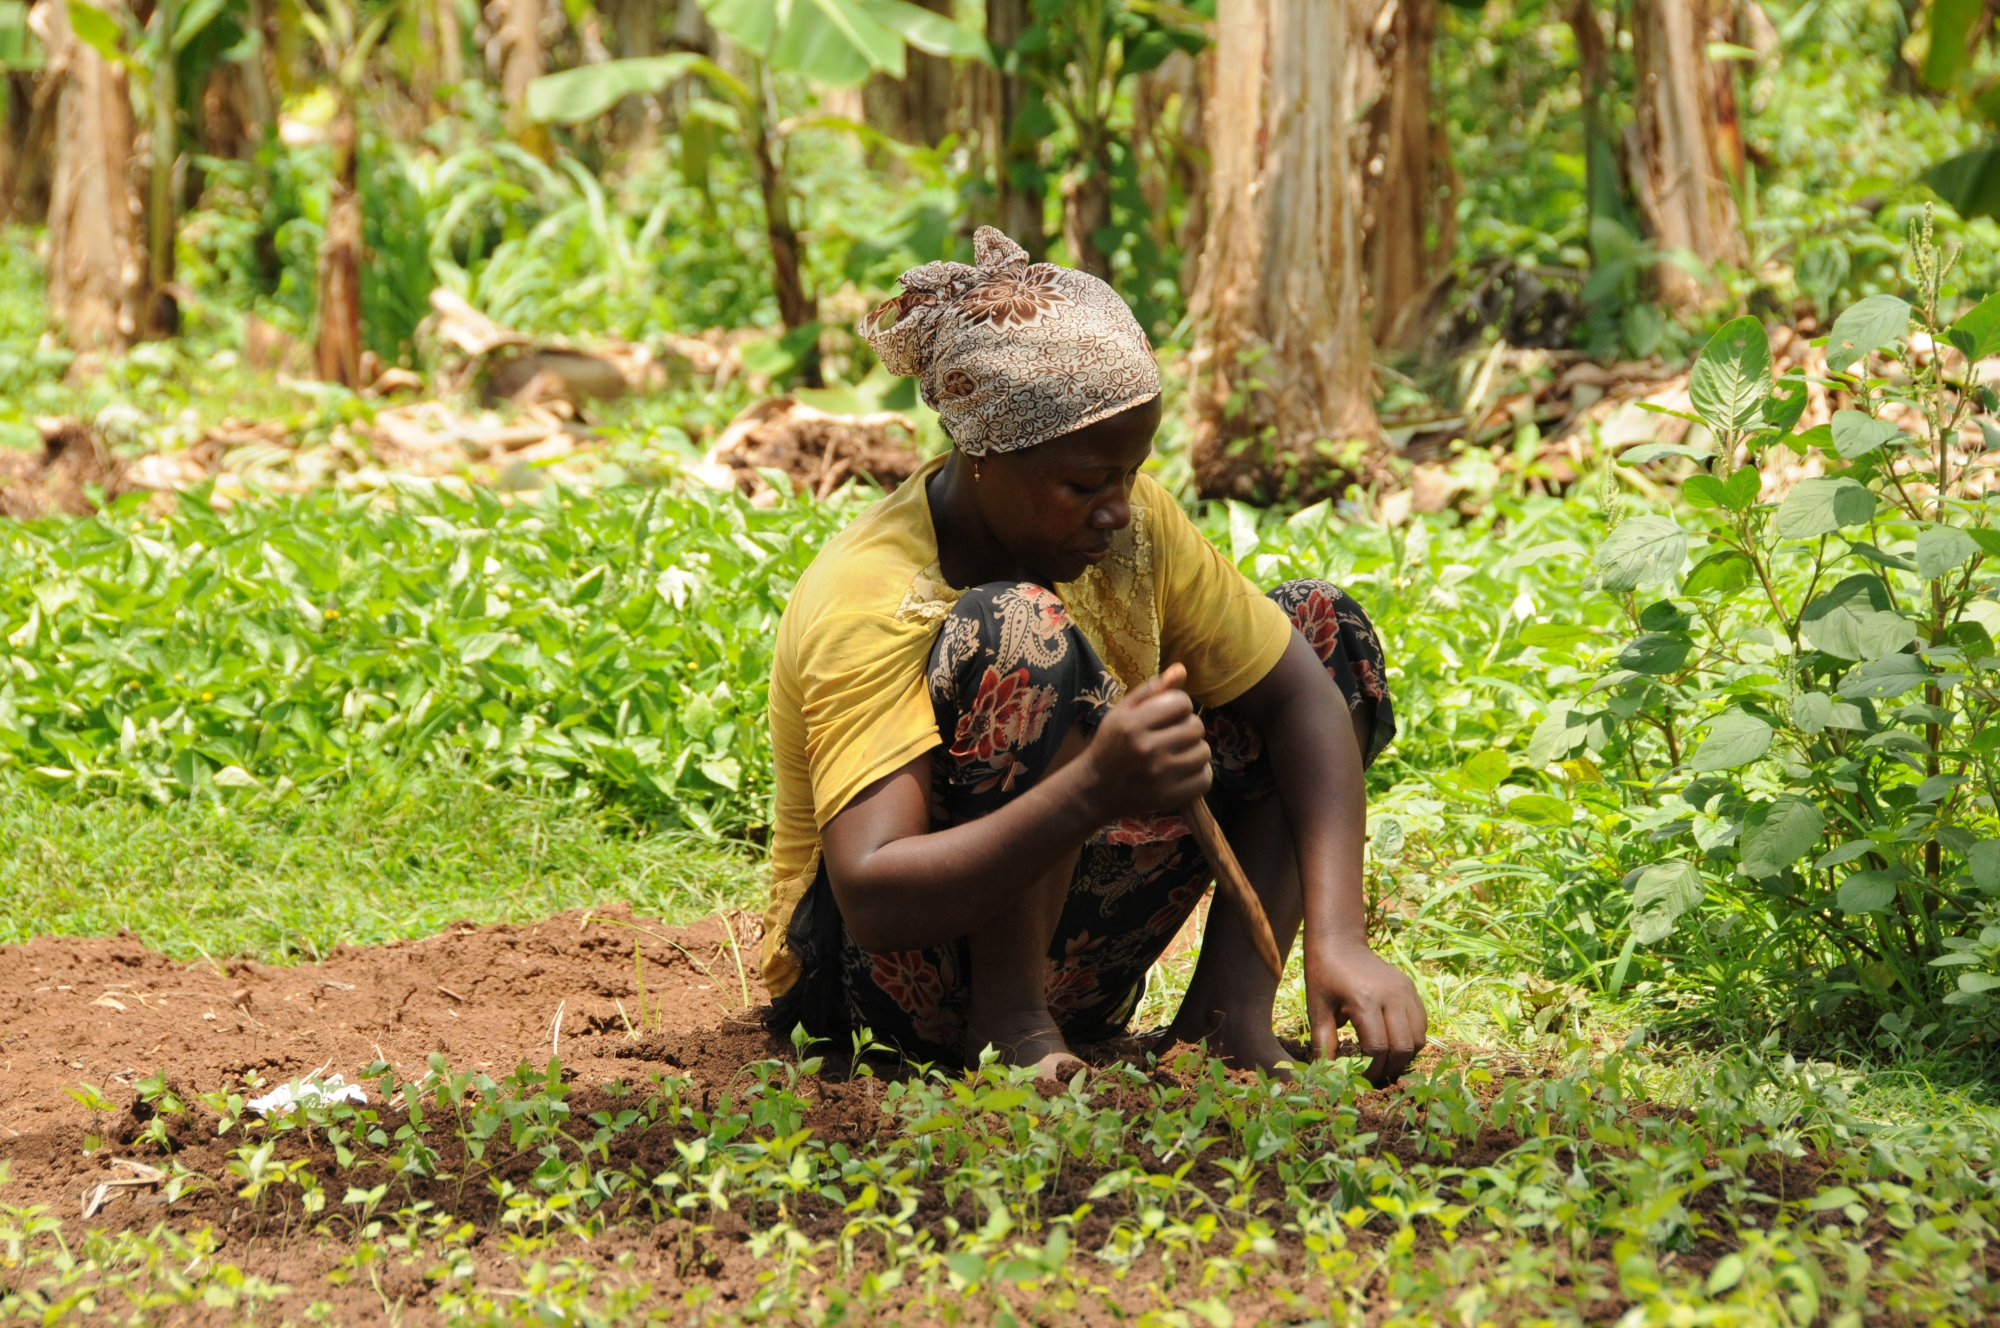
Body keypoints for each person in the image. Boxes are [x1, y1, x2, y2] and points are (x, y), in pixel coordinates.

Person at [758, 227, 1427, 1085]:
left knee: (1323, 625)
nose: (1116, 508)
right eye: (1083, 484)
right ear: (984, 455)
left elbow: (1304, 700)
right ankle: (1010, 1028)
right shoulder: (871, 594)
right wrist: (1094, 789)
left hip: (1077, 959)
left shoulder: (1131, 527)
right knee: (1021, 624)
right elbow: (874, 896)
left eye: (1130, 472)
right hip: (874, 992)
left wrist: (1341, 939)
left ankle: (1226, 1022)